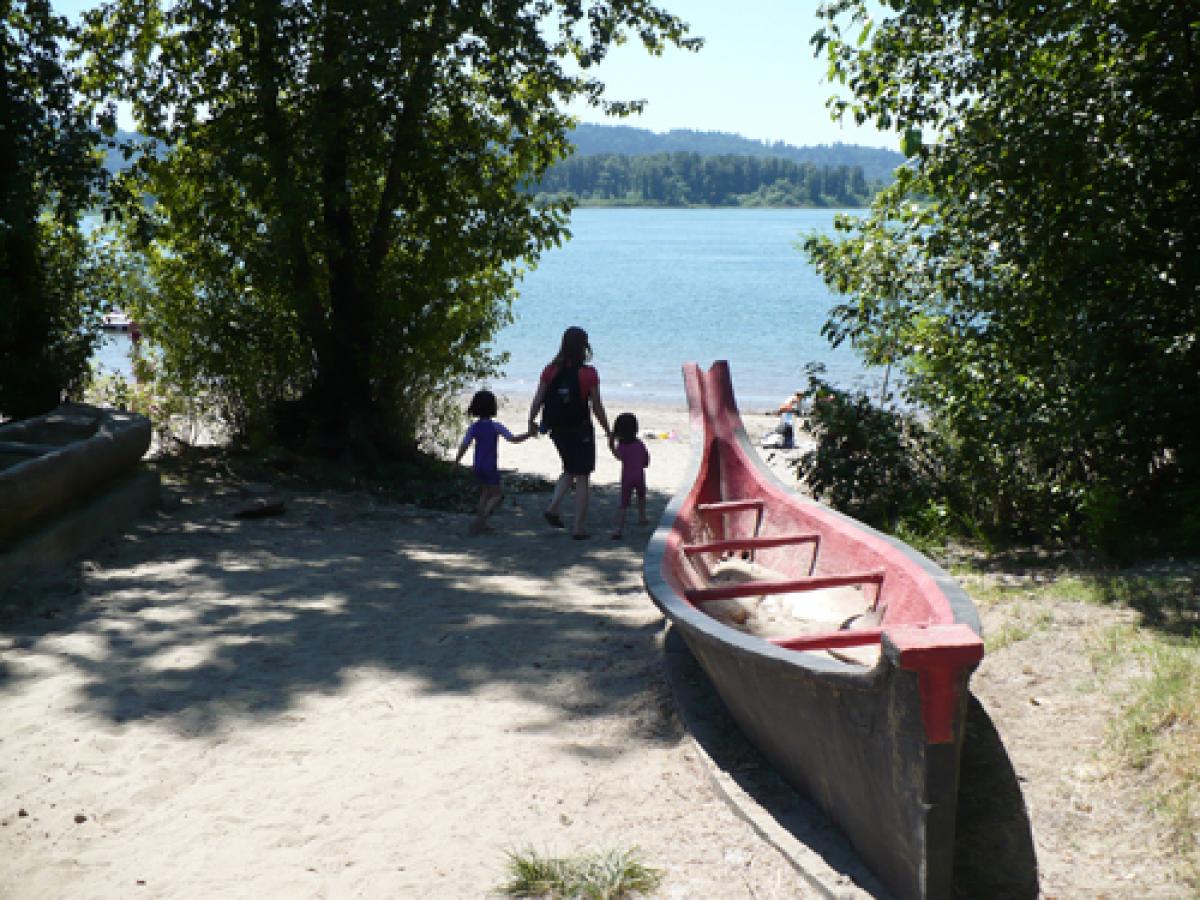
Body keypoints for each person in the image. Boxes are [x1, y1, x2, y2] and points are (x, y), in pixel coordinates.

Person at [527, 325, 612, 540]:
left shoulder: (550, 370)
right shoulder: (588, 374)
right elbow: (597, 407)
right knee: (582, 476)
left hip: (556, 429)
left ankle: (553, 508)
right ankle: (578, 528)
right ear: (584, 347)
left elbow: (538, 398)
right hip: (580, 429)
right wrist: (608, 429)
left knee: (569, 468)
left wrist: (531, 421)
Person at [455, 389, 531, 534]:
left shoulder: (474, 427)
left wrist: (457, 461)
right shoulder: (495, 426)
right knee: (497, 495)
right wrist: (528, 434)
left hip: (477, 465)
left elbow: (464, 445)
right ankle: (484, 515)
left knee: (485, 493)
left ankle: (480, 523)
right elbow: (513, 439)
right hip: (490, 466)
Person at [609, 412, 650, 540]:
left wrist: (611, 447)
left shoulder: (622, 446)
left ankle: (618, 529)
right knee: (641, 496)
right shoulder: (640, 445)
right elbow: (646, 461)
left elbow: (619, 457)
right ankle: (642, 517)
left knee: (623, 503)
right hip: (639, 475)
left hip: (627, 477)